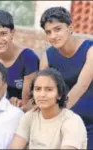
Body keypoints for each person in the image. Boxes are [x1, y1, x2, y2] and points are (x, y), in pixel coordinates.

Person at [39, 6, 93, 149]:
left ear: (70, 27)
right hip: (66, 123)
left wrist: (57, 115)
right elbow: (40, 89)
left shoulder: (90, 50)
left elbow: (82, 85)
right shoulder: (47, 57)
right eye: (48, 32)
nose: (53, 36)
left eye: (58, 29)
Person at [9, 68, 87, 149]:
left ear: (59, 94)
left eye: (49, 90)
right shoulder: (30, 117)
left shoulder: (72, 121)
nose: (42, 94)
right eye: (38, 89)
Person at [0, 10, 39, 107]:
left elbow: (28, 100)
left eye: (3, 33)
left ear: (12, 33)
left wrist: (18, 105)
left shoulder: (29, 57)